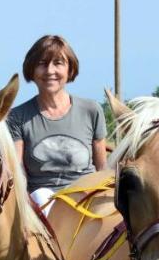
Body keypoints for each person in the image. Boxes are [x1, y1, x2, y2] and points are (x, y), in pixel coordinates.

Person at [6, 35, 107, 211]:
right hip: (43, 204)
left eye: (58, 63)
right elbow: (18, 173)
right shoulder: (17, 117)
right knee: (40, 195)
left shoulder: (92, 110)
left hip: (87, 198)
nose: (50, 71)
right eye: (42, 63)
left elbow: (102, 168)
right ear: (32, 69)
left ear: (70, 69)